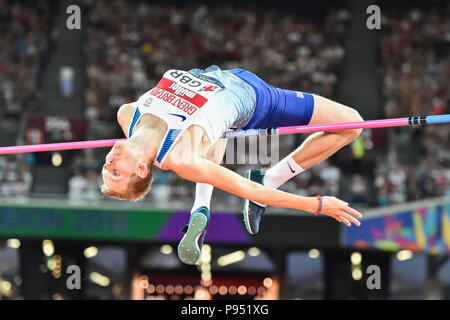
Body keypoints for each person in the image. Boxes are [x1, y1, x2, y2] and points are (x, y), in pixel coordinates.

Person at [100, 65, 363, 265]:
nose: (108, 162)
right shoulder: (179, 156)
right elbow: (250, 191)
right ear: (142, 170)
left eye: (106, 169)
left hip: (218, 76)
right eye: (115, 172)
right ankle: (271, 178)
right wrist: (316, 204)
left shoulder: (127, 114)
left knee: (212, 134)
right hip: (256, 98)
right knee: (352, 123)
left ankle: (201, 207)